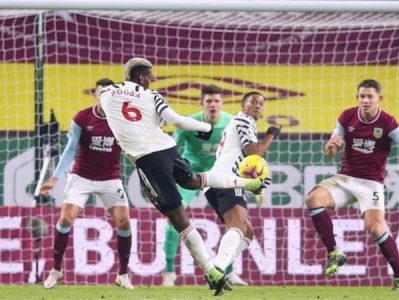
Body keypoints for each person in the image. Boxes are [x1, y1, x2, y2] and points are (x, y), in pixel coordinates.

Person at [99, 57, 265, 296]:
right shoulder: (153, 96)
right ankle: (246, 182)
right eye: (151, 76)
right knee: (194, 180)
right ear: (142, 77)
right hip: (169, 150)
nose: (153, 80)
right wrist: (205, 128)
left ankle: (212, 271)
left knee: (179, 219)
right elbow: (176, 121)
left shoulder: (107, 92)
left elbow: (108, 108)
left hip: (147, 159)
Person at [305, 79, 399, 291]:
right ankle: (334, 253)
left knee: (374, 227)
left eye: (369, 96)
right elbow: (330, 152)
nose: (365, 100)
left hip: (371, 184)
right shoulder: (346, 116)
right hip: (345, 179)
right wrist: (330, 146)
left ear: (379, 99)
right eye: (361, 96)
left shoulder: (388, 123)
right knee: (313, 199)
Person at [41, 78, 134, 290]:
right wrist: (54, 179)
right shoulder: (82, 117)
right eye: (101, 93)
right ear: (95, 94)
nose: (104, 97)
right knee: (65, 218)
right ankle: (56, 270)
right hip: (81, 177)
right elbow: (70, 149)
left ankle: (123, 275)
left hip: (110, 178)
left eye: (108, 93)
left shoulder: (123, 120)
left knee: (124, 223)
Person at [163, 85, 248, 287]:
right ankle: (169, 272)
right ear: (202, 104)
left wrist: (246, 177)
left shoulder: (231, 123)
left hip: (220, 174)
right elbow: (173, 149)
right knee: (174, 215)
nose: (213, 105)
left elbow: (242, 152)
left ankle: (228, 271)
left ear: (222, 104)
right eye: (209, 101)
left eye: (216, 101)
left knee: (234, 221)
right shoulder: (189, 122)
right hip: (190, 173)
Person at [204, 92, 280, 287]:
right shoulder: (244, 120)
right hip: (229, 179)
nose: (258, 106)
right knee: (237, 226)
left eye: (261, 104)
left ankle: (218, 268)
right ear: (243, 105)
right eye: (253, 102)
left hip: (219, 179)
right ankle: (217, 271)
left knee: (247, 232)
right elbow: (253, 156)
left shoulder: (240, 122)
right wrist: (271, 134)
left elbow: (248, 161)